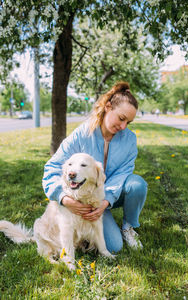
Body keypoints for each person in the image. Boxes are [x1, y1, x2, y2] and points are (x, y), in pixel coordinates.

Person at [42, 82, 148, 254]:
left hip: (110, 195)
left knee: (137, 184)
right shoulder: (82, 134)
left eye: (128, 122)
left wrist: (105, 202)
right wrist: (64, 199)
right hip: (87, 199)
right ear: (108, 107)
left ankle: (128, 227)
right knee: (114, 246)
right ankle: (98, 225)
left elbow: (123, 174)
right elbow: (52, 168)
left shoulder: (129, 139)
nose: (123, 127)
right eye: (121, 118)